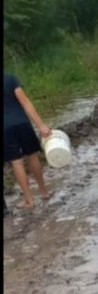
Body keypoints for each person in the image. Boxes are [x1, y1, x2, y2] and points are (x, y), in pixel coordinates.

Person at [4, 74, 52, 209]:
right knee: (32, 157)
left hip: (5, 129)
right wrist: (41, 125)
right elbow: (24, 101)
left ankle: (29, 200)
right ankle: (44, 192)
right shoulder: (10, 78)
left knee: (16, 163)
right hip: (23, 123)